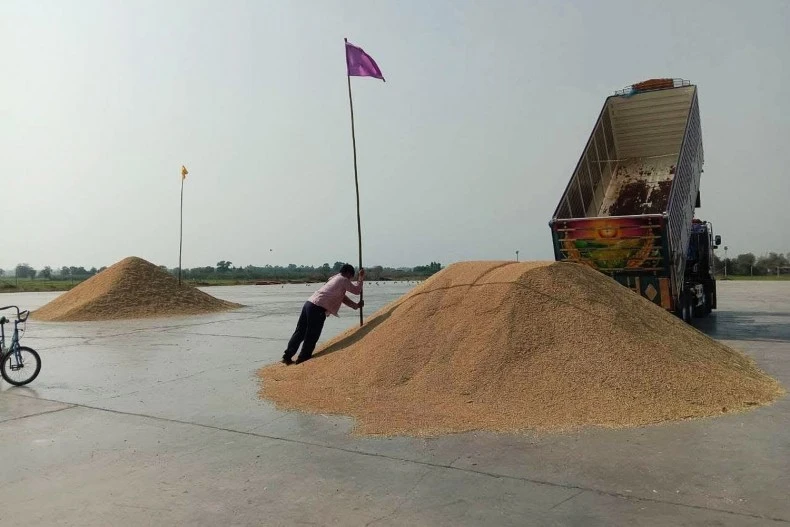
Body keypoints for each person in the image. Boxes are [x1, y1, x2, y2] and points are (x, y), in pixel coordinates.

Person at [282, 263, 365, 365]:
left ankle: (287, 356)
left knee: (300, 331)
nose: (350, 279)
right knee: (312, 334)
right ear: (347, 273)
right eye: (351, 277)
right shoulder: (343, 279)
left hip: (309, 304)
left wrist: (355, 306)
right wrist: (361, 277)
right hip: (318, 308)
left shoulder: (334, 278)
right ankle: (303, 358)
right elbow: (357, 291)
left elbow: (342, 298)